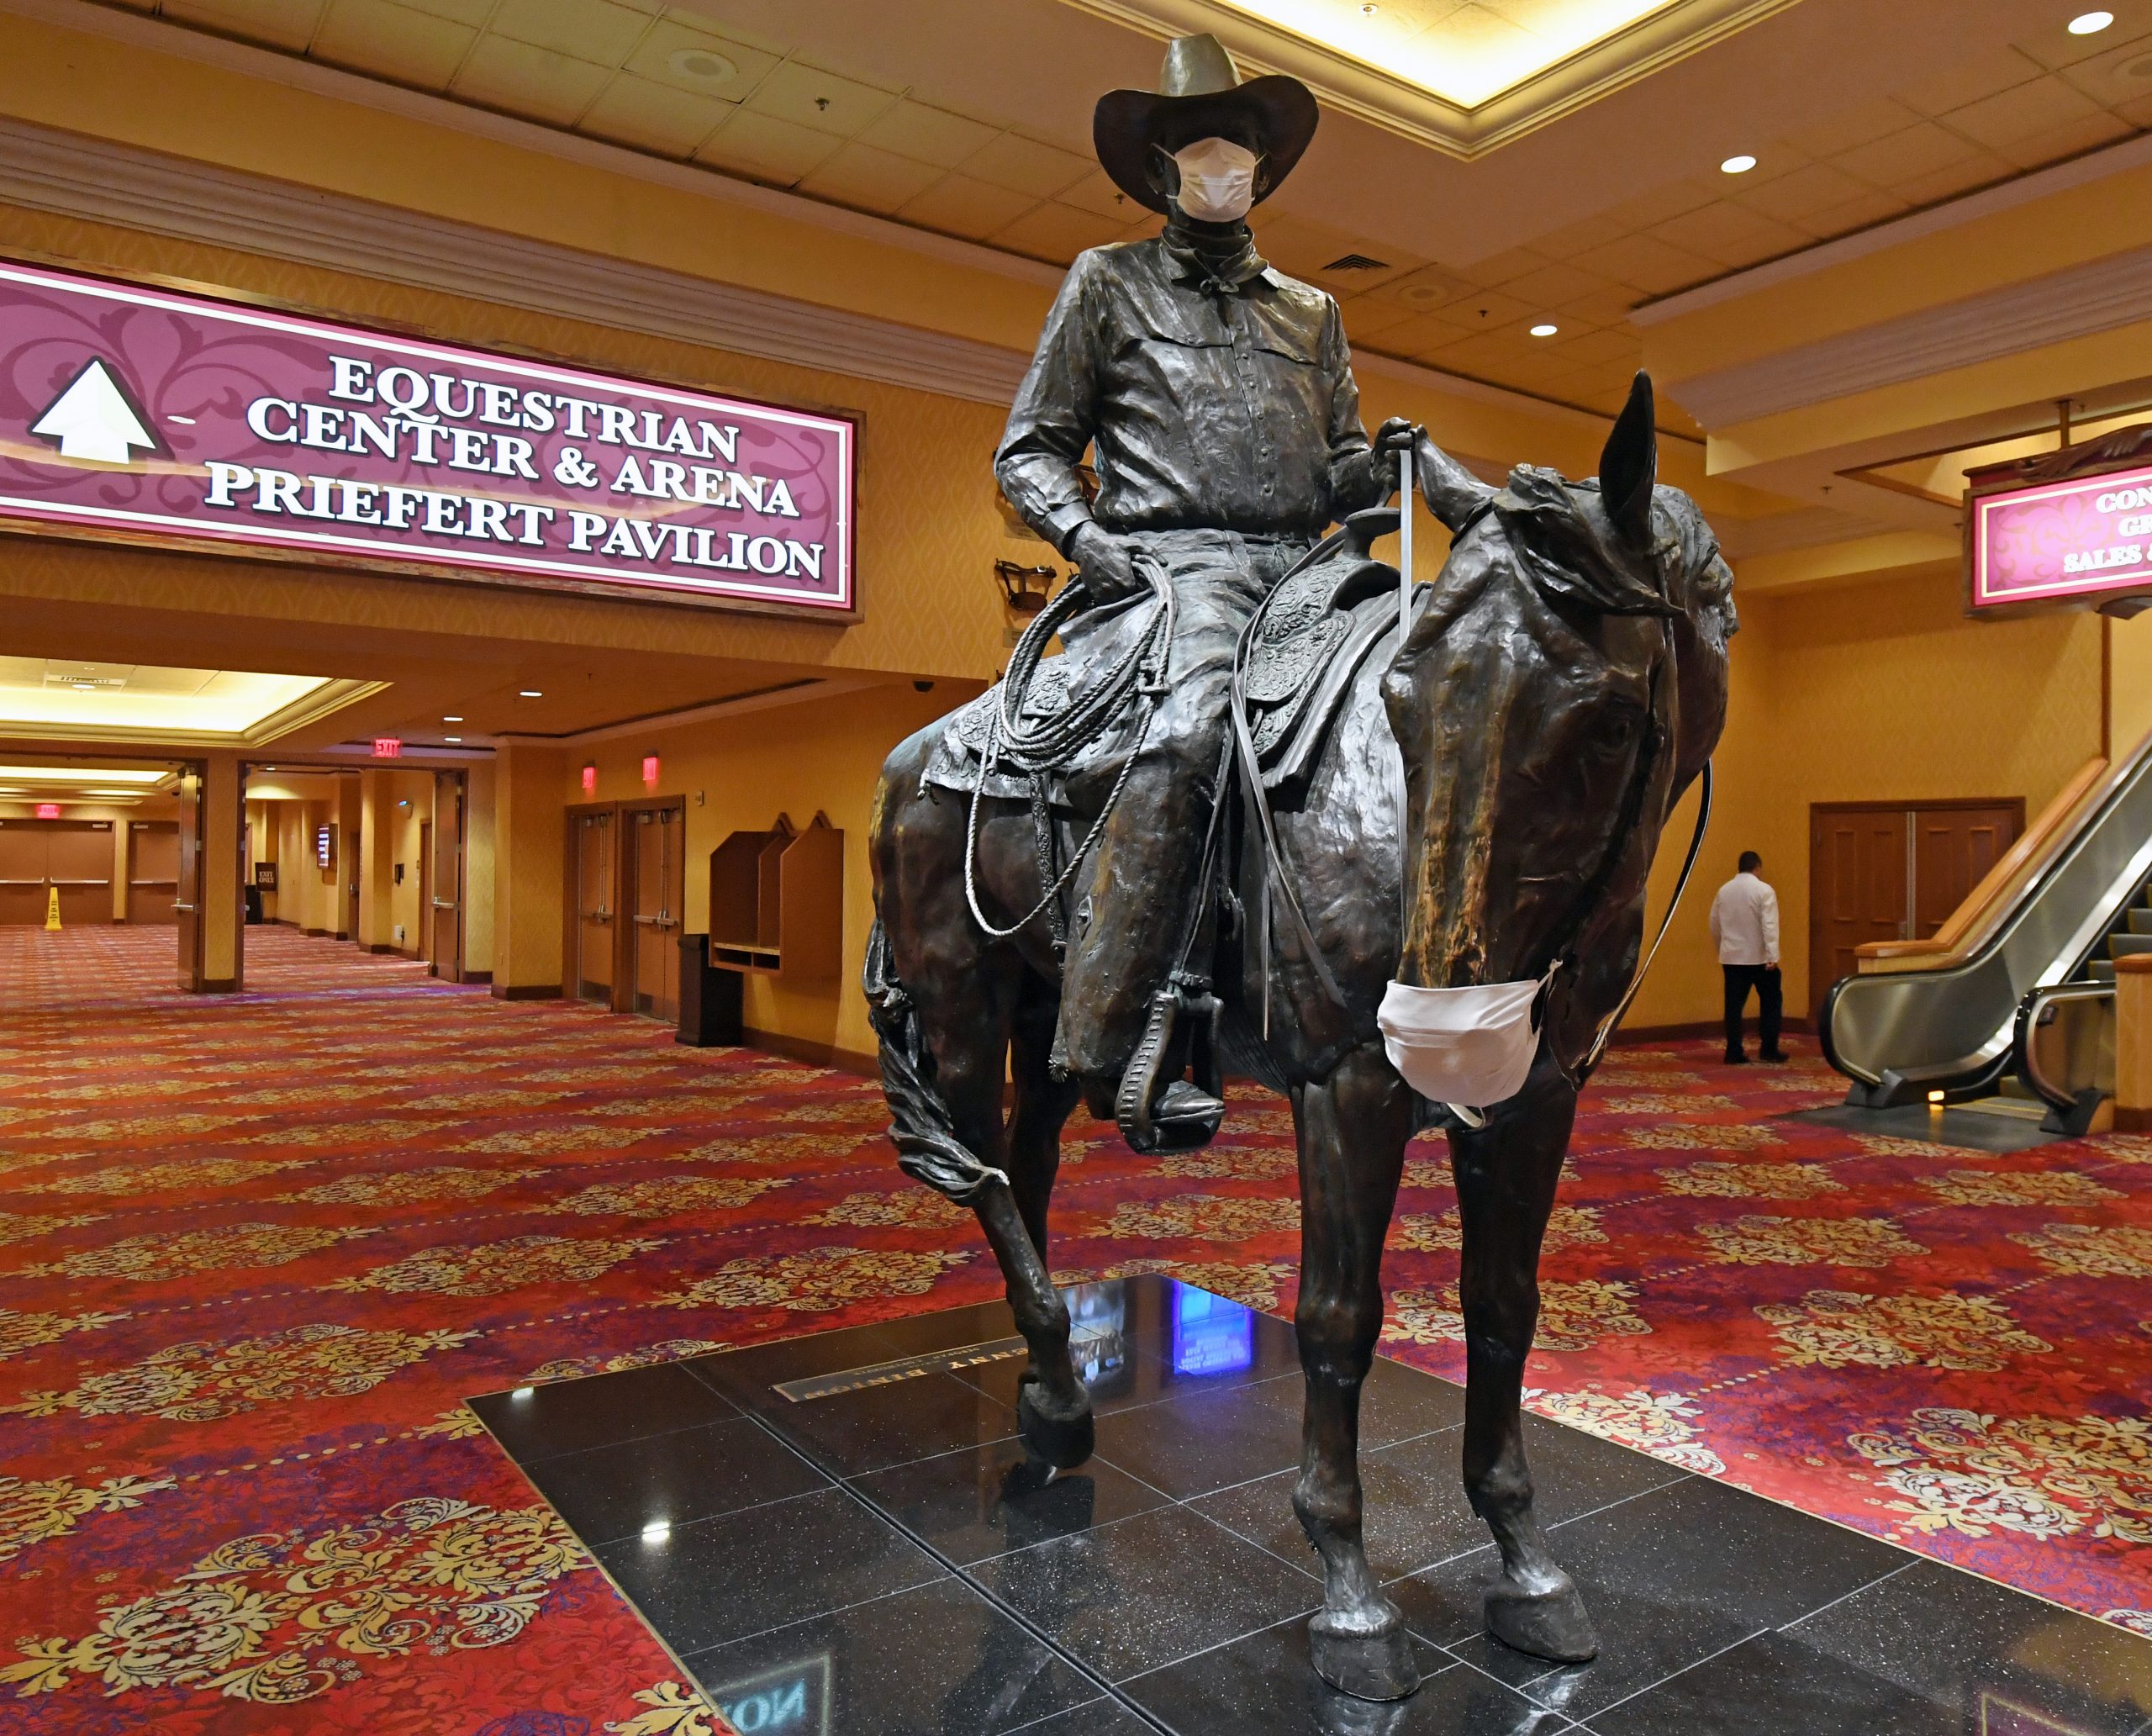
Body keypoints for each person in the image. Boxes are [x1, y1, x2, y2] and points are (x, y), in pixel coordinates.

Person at [994, 34, 1418, 1149]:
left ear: (1266, 166)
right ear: (1161, 163)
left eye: (1237, 141)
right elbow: (1029, 452)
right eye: (1195, 140)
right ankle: (1112, 1026)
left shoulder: (1312, 313)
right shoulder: (1107, 281)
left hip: (1313, 569)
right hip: (1176, 566)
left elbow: (1340, 467)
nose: (1218, 157)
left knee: (1435, 682)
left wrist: (1385, 467)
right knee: (1186, 736)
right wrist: (1089, 541)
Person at [1710, 850, 1785, 1063]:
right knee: (1771, 1003)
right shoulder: (1764, 890)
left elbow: (1714, 923)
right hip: (1760, 959)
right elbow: (1769, 925)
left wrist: (1722, 949)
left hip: (1732, 958)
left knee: (1733, 1007)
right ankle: (1769, 1049)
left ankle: (1733, 1050)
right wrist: (1772, 955)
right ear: (1757, 868)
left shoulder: (1724, 891)